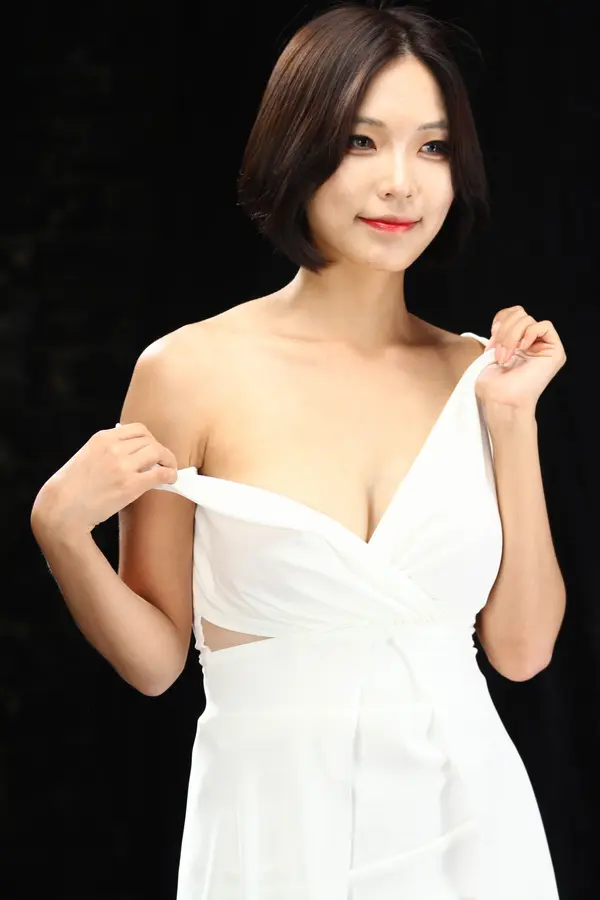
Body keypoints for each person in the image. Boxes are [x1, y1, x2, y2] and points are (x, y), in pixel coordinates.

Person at [31, 3, 561, 898]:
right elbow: (156, 663)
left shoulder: (482, 376)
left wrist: (513, 422)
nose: (401, 183)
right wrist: (57, 529)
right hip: (274, 835)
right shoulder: (187, 371)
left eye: (432, 147)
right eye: (362, 142)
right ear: (297, 146)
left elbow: (521, 650)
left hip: (475, 834)